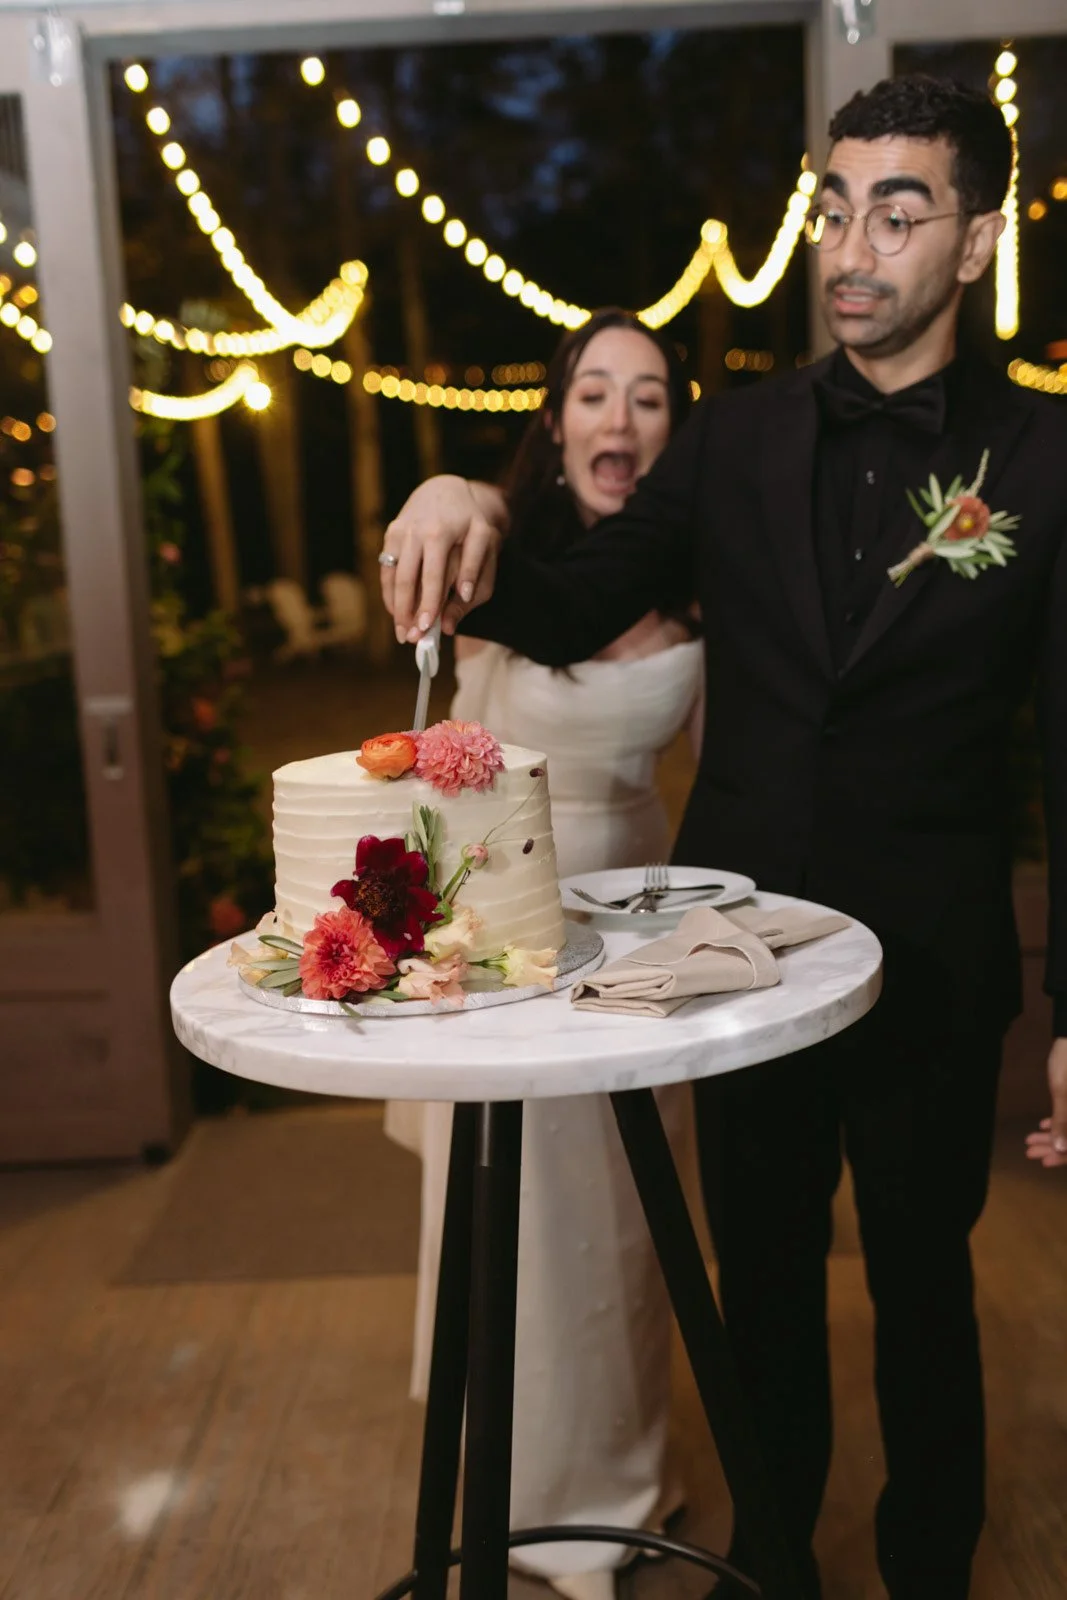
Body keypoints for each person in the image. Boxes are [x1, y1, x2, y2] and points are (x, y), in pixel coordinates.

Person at [380, 75, 1067, 1600]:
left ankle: (929, 1573)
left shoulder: (1041, 461)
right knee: (757, 1290)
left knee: (923, 1290)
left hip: (933, 969)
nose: (853, 244)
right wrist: (453, 496)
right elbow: (566, 600)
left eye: (899, 210)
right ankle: (771, 1563)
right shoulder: (738, 439)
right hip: (733, 964)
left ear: (972, 244)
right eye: (835, 207)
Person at [386, 308, 702, 1600]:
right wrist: (449, 487)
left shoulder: (695, 571)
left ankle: (618, 1489)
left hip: (624, 932)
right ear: (554, 420)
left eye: (647, 399)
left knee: (608, 1234)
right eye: (591, 395)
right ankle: (503, 1492)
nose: (617, 422)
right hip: (490, 927)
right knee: (495, 1221)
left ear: (674, 431)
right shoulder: (487, 557)